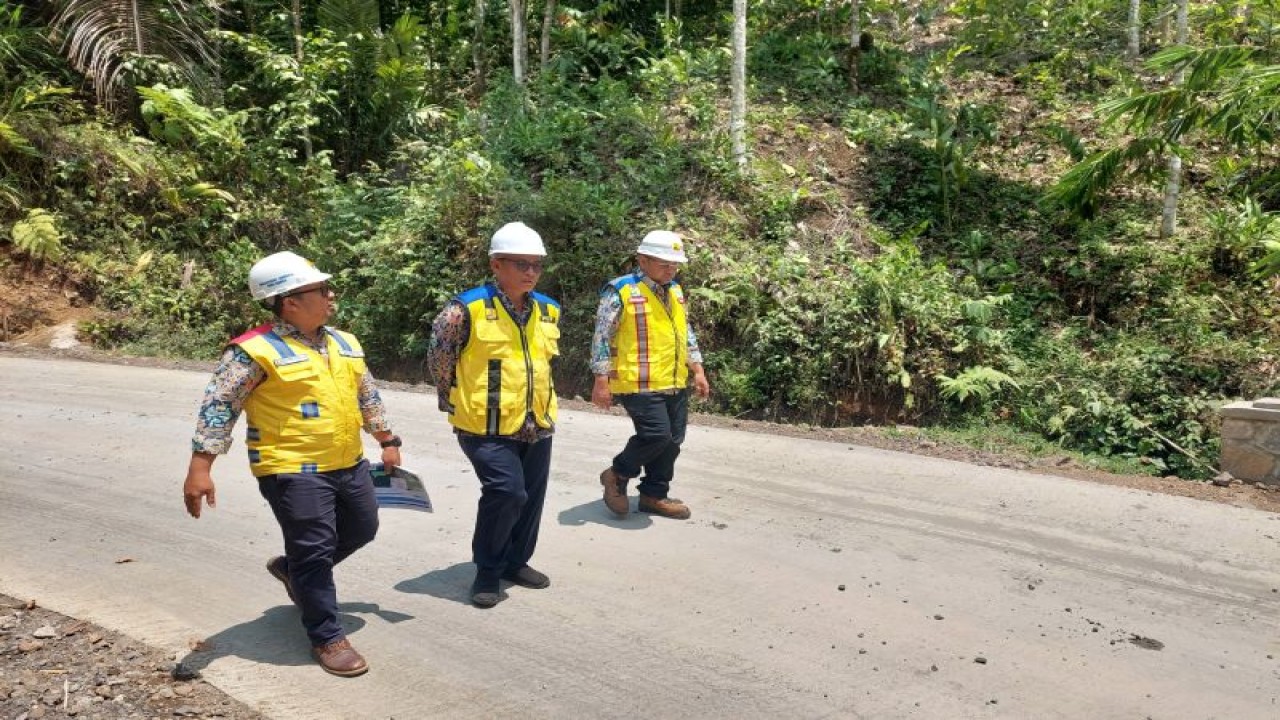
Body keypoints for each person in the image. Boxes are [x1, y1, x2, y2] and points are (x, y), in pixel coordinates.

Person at [181, 251, 401, 678]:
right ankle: (327, 636)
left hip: (348, 461)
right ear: (290, 300)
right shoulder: (253, 350)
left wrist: (386, 438)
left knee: (363, 528)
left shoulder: (344, 341)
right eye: (320, 289)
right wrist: (200, 466)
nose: (330, 294)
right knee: (315, 550)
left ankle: (292, 570)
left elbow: (366, 393)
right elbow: (220, 406)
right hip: (290, 467)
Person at [428, 222, 560, 608]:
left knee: (531, 498)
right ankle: (487, 572)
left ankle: (516, 562)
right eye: (521, 264)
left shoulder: (549, 309)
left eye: (536, 265)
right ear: (495, 265)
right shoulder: (463, 309)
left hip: (536, 420)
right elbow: (440, 359)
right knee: (506, 492)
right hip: (482, 423)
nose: (530, 272)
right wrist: (452, 398)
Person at [591, 230, 711, 520]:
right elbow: (602, 336)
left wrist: (697, 368)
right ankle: (617, 474)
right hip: (637, 381)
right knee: (657, 435)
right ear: (642, 259)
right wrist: (600, 380)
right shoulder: (620, 290)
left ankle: (654, 495)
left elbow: (686, 331)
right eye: (664, 263)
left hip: (673, 379)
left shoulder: (675, 290)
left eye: (675, 264)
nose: (671, 269)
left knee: (673, 441)